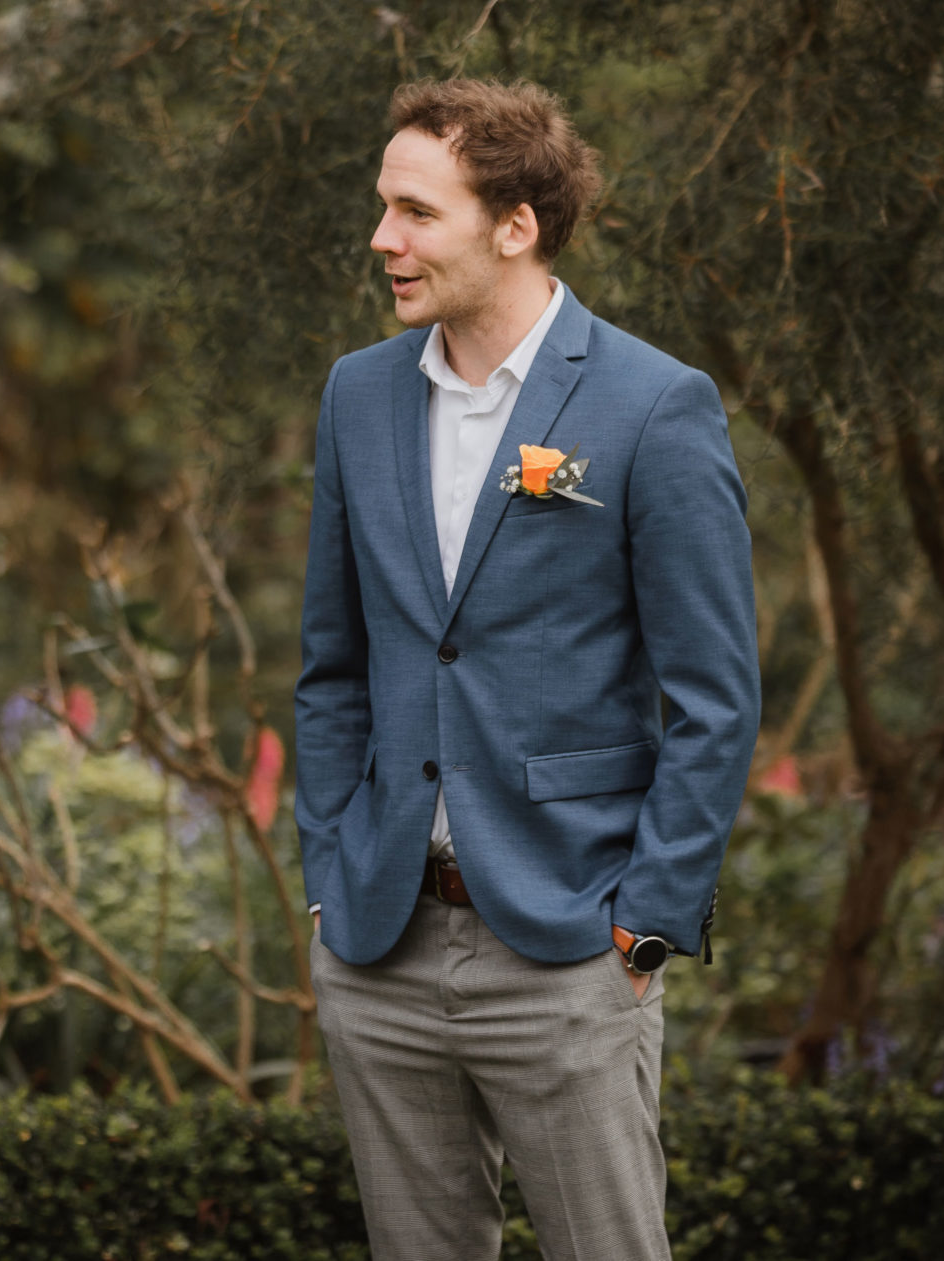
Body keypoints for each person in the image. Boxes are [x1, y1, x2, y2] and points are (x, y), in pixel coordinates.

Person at [294, 79, 759, 1259]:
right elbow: (331, 665)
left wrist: (645, 925)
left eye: (414, 211)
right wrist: (327, 872)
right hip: (378, 943)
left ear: (515, 226)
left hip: (568, 950)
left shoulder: (653, 407)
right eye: (381, 207)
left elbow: (714, 698)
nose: (381, 239)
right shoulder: (356, 395)